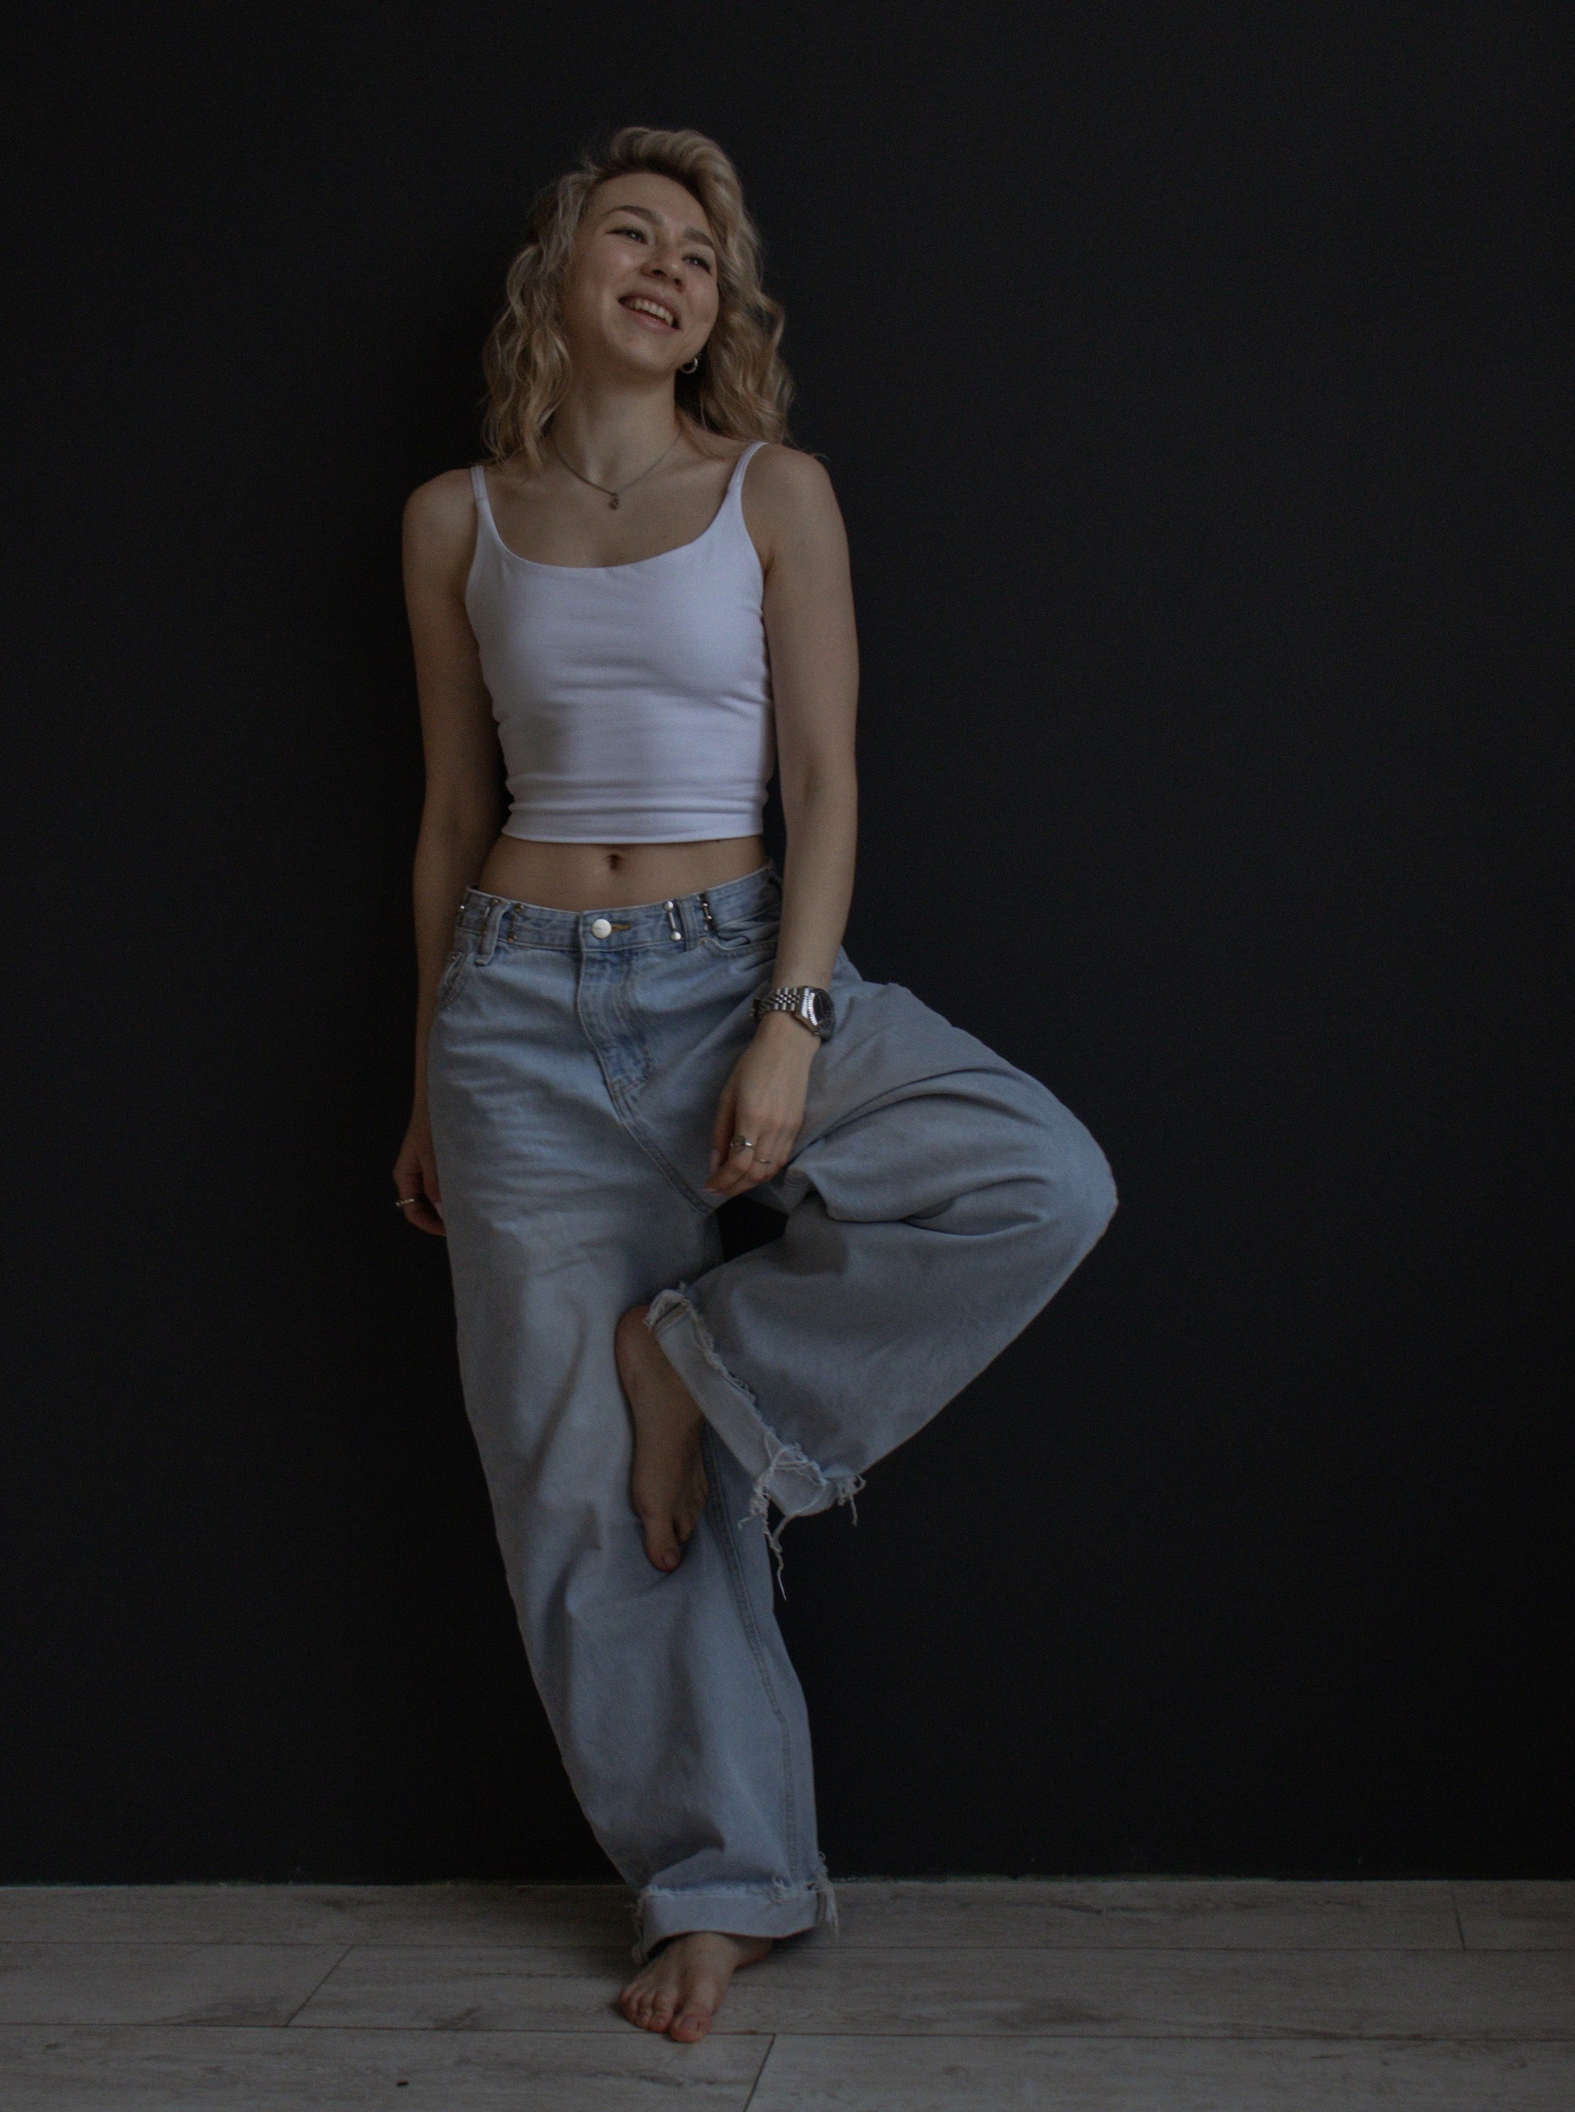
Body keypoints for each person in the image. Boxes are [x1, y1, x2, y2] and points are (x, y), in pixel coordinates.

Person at [394, 126, 1116, 2043]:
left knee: (1038, 1176)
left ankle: (697, 1360)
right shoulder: (454, 518)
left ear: (723, 309)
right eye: (631, 234)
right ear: (559, 274)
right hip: (511, 1015)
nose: (668, 268)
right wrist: (426, 1083)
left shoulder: (771, 491)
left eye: (700, 255)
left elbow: (826, 777)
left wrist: (794, 1015)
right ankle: (718, 1883)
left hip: (732, 968)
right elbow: (451, 815)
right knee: (577, 1496)